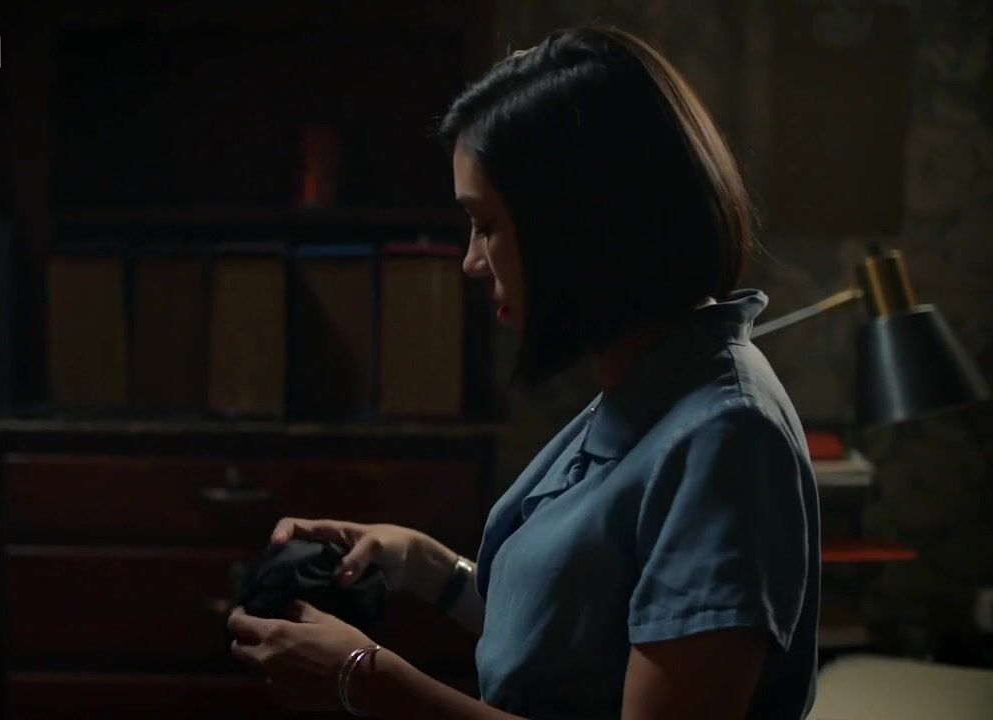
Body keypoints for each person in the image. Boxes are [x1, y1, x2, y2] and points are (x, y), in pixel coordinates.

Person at [227, 25, 819, 720]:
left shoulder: (724, 436)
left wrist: (364, 678)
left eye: (487, 225)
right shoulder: (644, 388)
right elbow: (583, 638)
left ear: (580, 224)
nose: (471, 262)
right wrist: (424, 565)